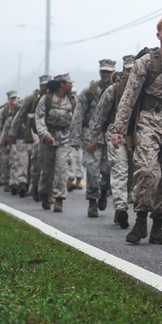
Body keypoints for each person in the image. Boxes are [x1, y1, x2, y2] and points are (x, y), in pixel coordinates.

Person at [110, 18, 162, 245]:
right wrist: (119, 129)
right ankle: (141, 218)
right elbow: (129, 97)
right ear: (158, 36)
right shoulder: (145, 62)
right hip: (149, 120)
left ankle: (159, 225)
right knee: (147, 170)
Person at [92, 55, 136, 228]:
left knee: (133, 175)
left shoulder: (144, 89)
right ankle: (120, 207)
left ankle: (125, 202)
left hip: (137, 137)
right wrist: (94, 138)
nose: (131, 73)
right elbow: (99, 115)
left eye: (134, 70)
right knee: (119, 171)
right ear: (123, 70)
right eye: (128, 70)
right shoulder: (113, 90)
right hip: (116, 136)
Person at [71, 59, 116, 218]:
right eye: (103, 71)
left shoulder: (118, 89)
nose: (105, 75)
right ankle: (92, 201)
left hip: (110, 135)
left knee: (107, 170)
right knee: (92, 170)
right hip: (90, 135)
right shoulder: (88, 91)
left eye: (109, 72)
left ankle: (104, 192)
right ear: (99, 72)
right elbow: (78, 114)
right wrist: (75, 139)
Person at [35, 74, 76, 212]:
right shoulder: (46, 99)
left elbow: (76, 120)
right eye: (70, 83)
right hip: (48, 139)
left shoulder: (71, 100)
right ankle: (45, 194)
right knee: (47, 171)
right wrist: (45, 134)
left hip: (64, 138)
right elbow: (39, 118)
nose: (72, 86)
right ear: (62, 84)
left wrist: (76, 138)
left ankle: (59, 199)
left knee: (61, 168)